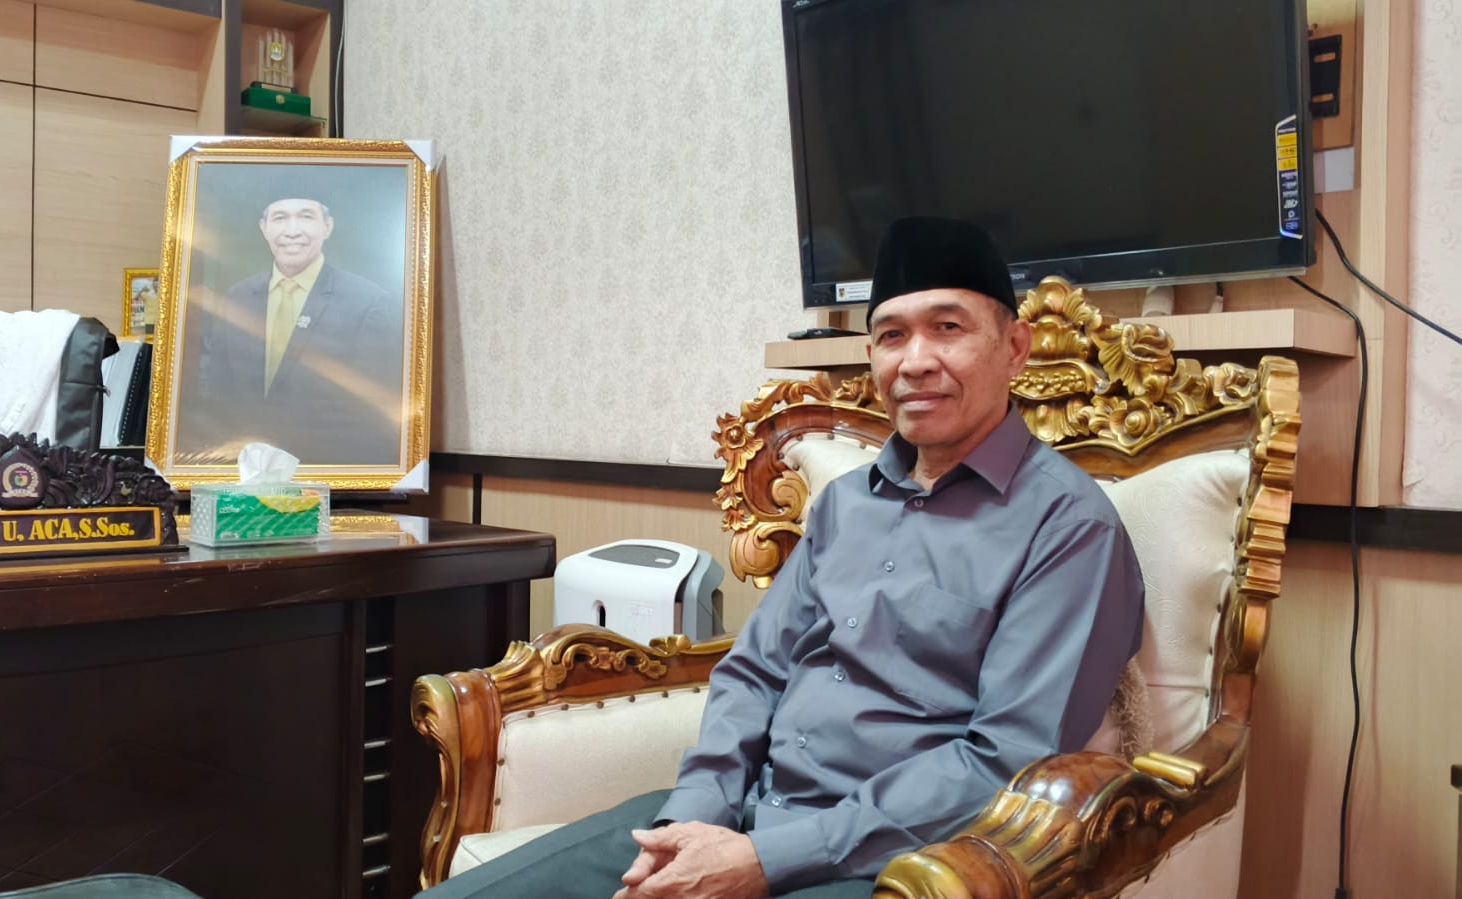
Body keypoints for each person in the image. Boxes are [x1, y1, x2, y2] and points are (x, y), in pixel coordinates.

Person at [415, 217, 1145, 899]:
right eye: (891, 335)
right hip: (736, 817)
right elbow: (754, 671)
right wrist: (693, 817)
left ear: (1014, 347)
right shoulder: (845, 503)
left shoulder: (1067, 526)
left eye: (947, 328)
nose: (916, 361)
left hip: (892, 863)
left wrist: (765, 859)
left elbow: (1004, 760)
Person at [178, 188, 405, 465]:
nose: (292, 231)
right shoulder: (236, 298)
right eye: (280, 218)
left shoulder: (368, 303)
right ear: (264, 228)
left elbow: (372, 412)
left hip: (328, 473)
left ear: (327, 227)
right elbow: (218, 396)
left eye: (306, 217)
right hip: (243, 473)